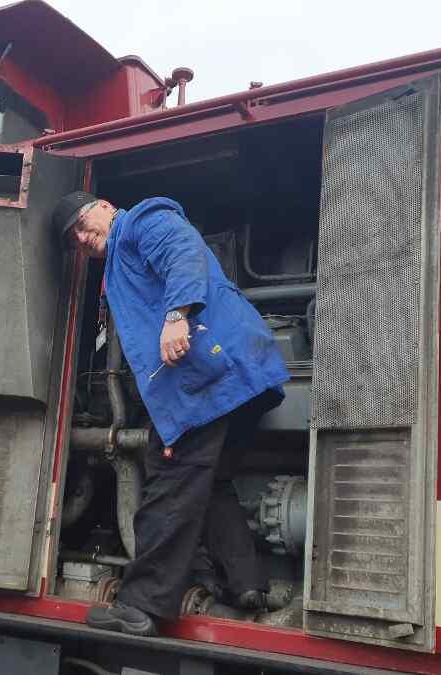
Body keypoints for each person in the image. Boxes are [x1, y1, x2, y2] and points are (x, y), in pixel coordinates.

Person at [52, 191, 290, 637]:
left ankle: (142, 606)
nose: (82, 239)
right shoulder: (118, 264)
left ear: (104, 207)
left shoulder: (142, 221)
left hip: (208, 379)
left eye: (82, 225)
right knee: (211, 480)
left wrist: (177, 314)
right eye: (74, 240)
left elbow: (181, 250)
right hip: (237, 376)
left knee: (168, 478)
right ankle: (245, 584)